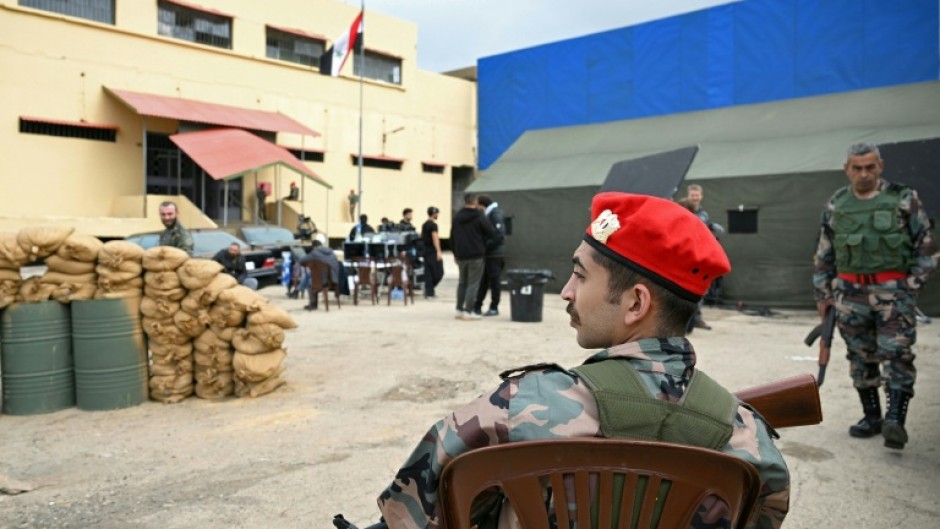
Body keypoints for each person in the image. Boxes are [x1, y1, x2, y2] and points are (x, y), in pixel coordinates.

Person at [377, 192, 789, 529]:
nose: (566, 291)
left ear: (635, 302)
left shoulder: (518, 405)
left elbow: (413, 513)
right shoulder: (749, 438)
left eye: (580, 274)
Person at [813, 142, 938, 450]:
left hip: (893, 294)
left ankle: (895, 420)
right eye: (857, 168)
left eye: (870, 167)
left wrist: (912, 284)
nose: (864, 174)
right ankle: (872, 417)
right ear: (847, 169)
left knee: (896, 354)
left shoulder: (903, 199)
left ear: (880, 166)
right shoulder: (837, 204)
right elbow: (824, 252)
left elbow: (927, 244)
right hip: (849, 294)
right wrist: (823, 293)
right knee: (859, 356)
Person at [683, 184, 724, 330]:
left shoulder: (704, 214)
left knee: (701, 287)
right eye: (692, 195)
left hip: (700, 254)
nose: (695, 197)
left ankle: (697, 318)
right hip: (686, 254)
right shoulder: (683, 210)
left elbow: (704, 229)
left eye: (697, 195)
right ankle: (685, 321)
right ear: (688, 195)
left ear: (701, 195)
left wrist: (711, 226)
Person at [450, 193, 495, 320]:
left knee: (462, 282)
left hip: (461, 255)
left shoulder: (457, 216)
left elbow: (452, 236)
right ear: (475, 202)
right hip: (476, 255)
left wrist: (455, 253)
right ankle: (468, 311)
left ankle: (459, 309)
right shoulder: (479, 216)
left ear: (464, 201)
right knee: (473, 284)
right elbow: (491, 232)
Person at [473, 194, 507, 316]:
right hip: (489, 254)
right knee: (483, 281)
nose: (477, 208)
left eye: (478, 205)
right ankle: (477, 306)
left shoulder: (495, 214)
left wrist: (484, 246)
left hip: (494, 255)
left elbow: (499, 235)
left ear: (482, 204)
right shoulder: (489, 213)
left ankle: (494, 307)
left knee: (494, 282)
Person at [299, 240, 346, 310]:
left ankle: (313, 303)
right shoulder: (331, 252)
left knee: (310, 282)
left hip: (323, 282)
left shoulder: (314, 253)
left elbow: (301, 261)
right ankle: (300, 290)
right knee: (310, 276)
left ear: (314, 247)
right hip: (334, 280)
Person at [421, 206, 444, 299]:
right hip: (432, 250)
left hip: (426, 250)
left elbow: (422, 236)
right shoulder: (433, 225)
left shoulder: (424, 224)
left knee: (429, 272)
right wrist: (438, 251)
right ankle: (429, 290)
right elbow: (435, 238)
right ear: (434, 214)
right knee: (439, 272)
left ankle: (429, 292)